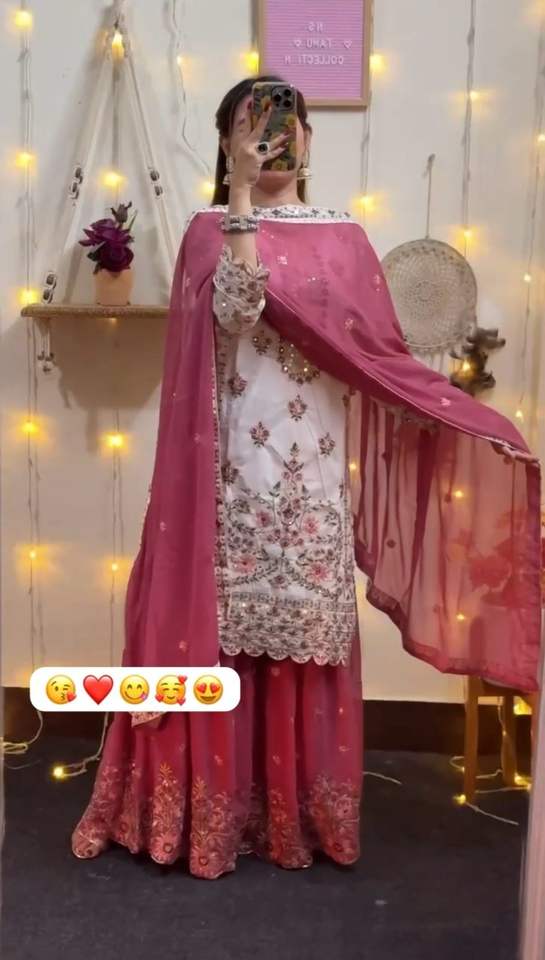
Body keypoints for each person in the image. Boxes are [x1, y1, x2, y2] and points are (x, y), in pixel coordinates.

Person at [71, 76, 542, 879]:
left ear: (310, 138)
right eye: (254, 125)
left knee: (304, 646)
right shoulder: (208, 231)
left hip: (313, 470)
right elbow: (235, 311)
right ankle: (211, 815)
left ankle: (294, 820)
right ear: (227, 141)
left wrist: (464, 420)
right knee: (222, 640)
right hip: (228, 474)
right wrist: (241, 198)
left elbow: (376, 358)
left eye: (289, 123)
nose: (276, 138)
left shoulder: (344, 239)